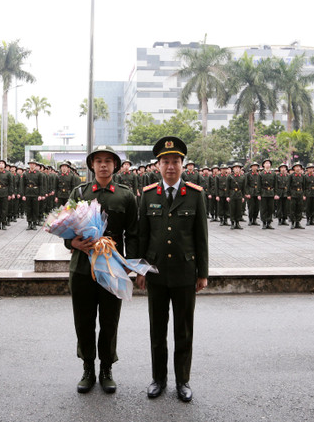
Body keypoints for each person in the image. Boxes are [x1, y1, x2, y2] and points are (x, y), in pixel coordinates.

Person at [135, 136, 208, 403]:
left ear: (182, 164)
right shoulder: (147, 195)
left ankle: (183, 380)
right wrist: (140, 270)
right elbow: (142, 236)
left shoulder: (195, 195)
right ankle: (158, 379)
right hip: (155, 273)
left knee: (184, 330)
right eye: (165, 161)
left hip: (185, 273)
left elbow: (201, 237)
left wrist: (203, 273)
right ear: (158, 165)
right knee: (157, 330)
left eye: (175, 161)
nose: (170, 166)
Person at [66, 145, 138, 395]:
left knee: (109, 321)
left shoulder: (125, 195)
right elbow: (65, 226)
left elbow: (134, 233)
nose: (104, 165)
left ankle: (106, 368)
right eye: (98, 161)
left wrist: (131, 266)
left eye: (109, 161)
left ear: (115, 166)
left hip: (112, 267)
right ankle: (88, 368)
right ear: (92, 165)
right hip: (83, 268)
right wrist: (72, 242)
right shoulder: (80, 192)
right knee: (84, 320)